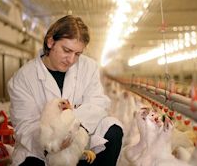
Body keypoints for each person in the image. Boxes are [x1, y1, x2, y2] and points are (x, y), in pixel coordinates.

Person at [8, 15, 123, 166]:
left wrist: (73, 128)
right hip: (40, 151)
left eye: (77, 54)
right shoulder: (23, 78)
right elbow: (25, 126)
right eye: (66, 50)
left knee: (113, 128)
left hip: (80, 142)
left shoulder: (89, 67)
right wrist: (53, 143)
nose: (71, 60)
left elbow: (98, 103)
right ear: (50, 42)